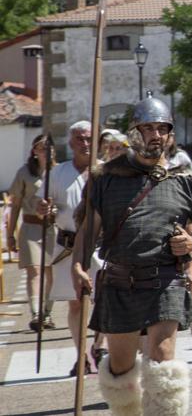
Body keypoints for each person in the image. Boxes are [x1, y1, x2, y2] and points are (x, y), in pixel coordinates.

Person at [73, 95, 192, 416]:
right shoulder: (104, 178)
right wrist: (78, 266)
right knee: (120, 367)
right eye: (148, 127)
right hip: (120, 280)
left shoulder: (189, 182)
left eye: (162, 128)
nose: (156, 135)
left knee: (162, 360)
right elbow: (88, 230)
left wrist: (189, 244)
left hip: (166, 281)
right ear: (134, 132)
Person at [47, 120, 102, 374]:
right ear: (71, 142)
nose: (85, 143)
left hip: (102, 248)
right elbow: (46, 209)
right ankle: (81, 356)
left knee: (107, 300)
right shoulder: (57, 173)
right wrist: (45, 211)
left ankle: (97, 348)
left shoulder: (107, 172)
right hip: (69, 246)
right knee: (76, 302)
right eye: (80, 138)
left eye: (90, 138)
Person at [6, 134, 56, 331]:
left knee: (52, 273)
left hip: (54, 228)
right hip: (31, 228)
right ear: (34, 151)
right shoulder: (25, 173)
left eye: (49, 147)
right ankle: (36, 313)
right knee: (35, 271)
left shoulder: (59, 171)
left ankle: (47, 312)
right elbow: (15, 205)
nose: (47, 151)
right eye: (42, 147)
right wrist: (10, 234)